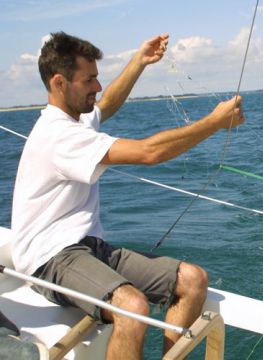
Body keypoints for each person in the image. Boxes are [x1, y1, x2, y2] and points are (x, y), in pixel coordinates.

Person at [11, 32, 244, 360]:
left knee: (193, 280)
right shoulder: (58, 135)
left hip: (88, 248)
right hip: (50, 258)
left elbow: (104, 107)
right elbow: (150, 152)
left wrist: (139, 61)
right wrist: (215, 122)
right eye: (90, 79)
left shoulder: (74, 120)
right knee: (132, 306)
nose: (98, 87)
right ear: (60, 82)